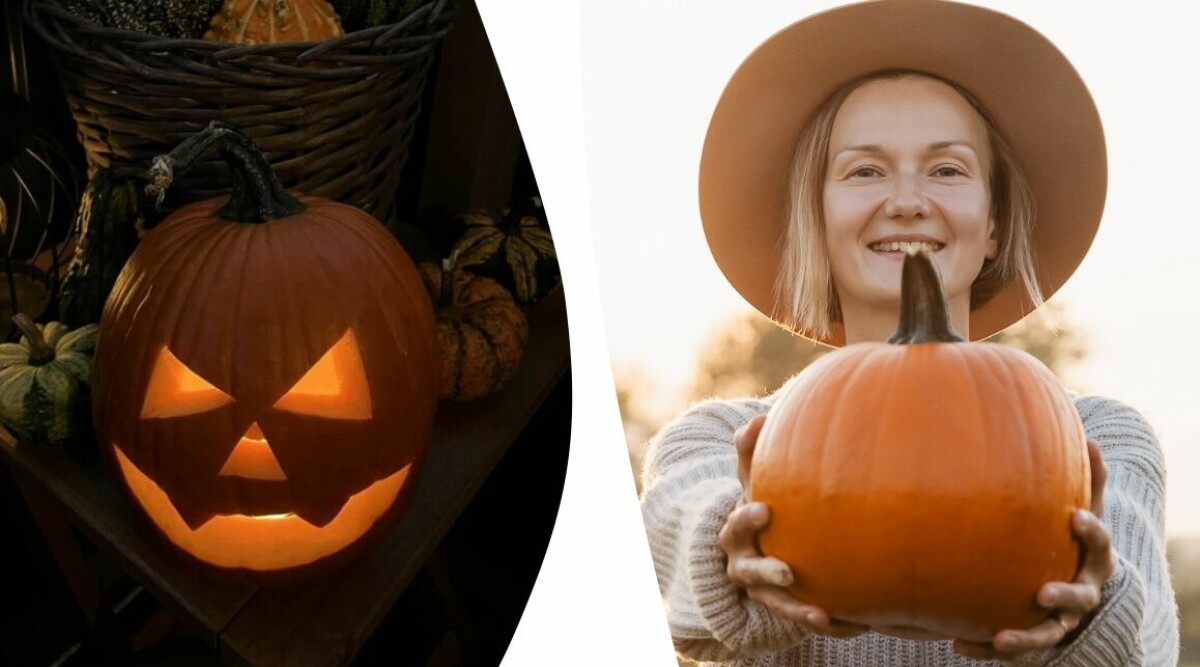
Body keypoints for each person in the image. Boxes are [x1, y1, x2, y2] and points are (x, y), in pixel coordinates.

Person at [639, 2, 1180, 666]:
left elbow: (1149, 645)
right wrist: (737, 545)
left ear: (993, 226)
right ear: (818, 218)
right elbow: (672, 577)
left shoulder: (1101, 440)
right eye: (865, 170)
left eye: (947, 169)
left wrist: (1090, 614)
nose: (907, 199)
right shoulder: (718, 443)